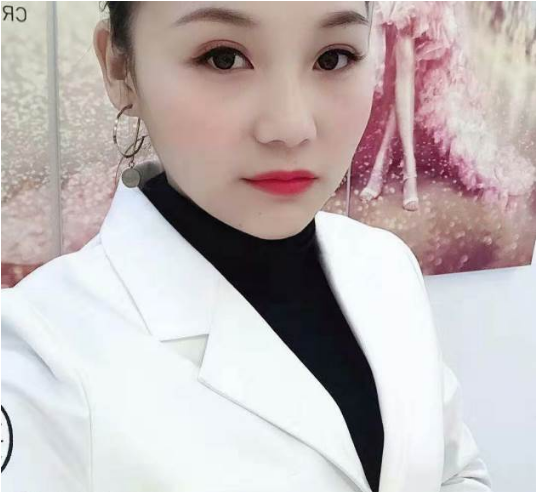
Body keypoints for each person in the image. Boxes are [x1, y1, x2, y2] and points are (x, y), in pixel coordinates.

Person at [1, 2, 493, 492]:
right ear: (119, 67)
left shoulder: (387, 265)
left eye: (333, 58)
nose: (291, 127)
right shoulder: (41, 358)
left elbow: (455, 473)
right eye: (223, 58)